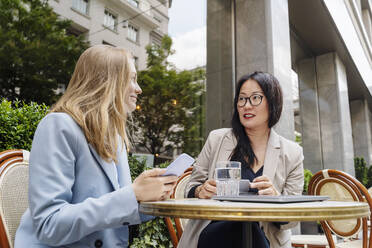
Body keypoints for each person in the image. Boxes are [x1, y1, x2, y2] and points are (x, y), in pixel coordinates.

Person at [14, 45, 178, 248]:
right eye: (132, 79)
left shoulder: (115, 138)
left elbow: (118, 210)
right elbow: (49, 224)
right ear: (108, 81)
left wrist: (149, 199)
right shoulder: (59, 126)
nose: (139, 88)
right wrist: (132, 195)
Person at [178, 72, 304, 248]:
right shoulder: (217, 139)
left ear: (273, 102)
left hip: (266, 238)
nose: (247, 105)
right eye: (242, 99)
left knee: (248, 223)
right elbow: (189, 190)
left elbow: (293, 219)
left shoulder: (293, 152)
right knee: (241, 222)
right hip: (214, 233)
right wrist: (200, 190)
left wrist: (276, 199)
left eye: (255, 98)